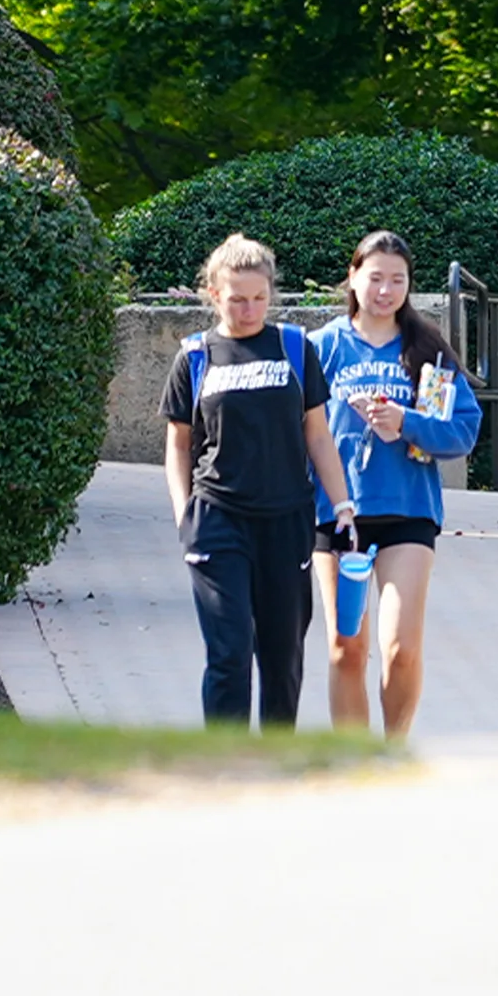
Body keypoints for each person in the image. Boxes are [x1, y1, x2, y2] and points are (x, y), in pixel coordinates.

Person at [162, 234, 359, 727]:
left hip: (286, 521)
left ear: (271, 294)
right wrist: (183, 511)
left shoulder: (293, 348)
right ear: (213, 295)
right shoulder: (194, 358)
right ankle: (225, 770)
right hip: (217, 519)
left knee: (282, 657)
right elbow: (179, 445)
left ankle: (277, 766)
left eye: (259, 298)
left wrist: (343, 506)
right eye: (236, 299)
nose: (249, 310)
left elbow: (318, 436)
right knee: (229, 653)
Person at [309, 232, 484, 737]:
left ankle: (393, 750)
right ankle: (352, 762)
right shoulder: (322, 348)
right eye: (375, 278)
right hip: (335, 513)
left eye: (397, 280)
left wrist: (405, 422)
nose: (385, 291)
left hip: (408, 512)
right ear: (353, 278)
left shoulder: (427, 349)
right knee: (347, 648)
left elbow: (462, 431)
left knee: (400, 650)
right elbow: (296, 430)